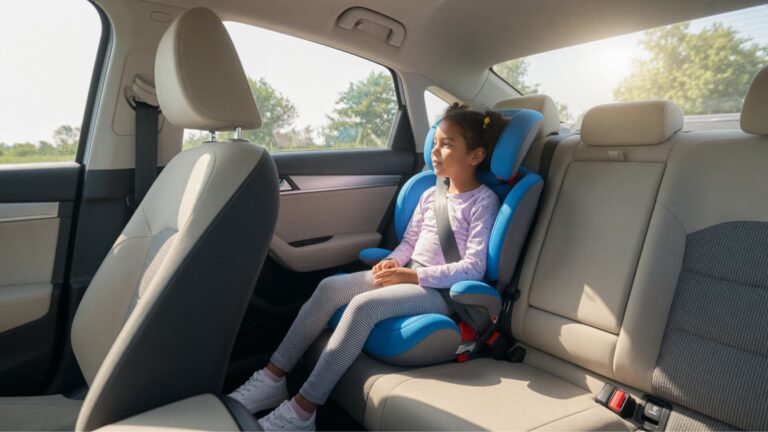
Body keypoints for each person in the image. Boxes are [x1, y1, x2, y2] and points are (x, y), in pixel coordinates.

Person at [230, 104, 506, 431]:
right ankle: (272, 377)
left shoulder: (484, 201)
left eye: (447, 144)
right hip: (410, 275)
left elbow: (473, 268)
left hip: (441, 292)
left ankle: (302, 411)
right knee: (329, 287)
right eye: (435, 142)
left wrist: (413, 274)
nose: (435, 151)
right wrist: (396, 260)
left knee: (362, 307)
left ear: (475, 156)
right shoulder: (432, 194)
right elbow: (410, 241)